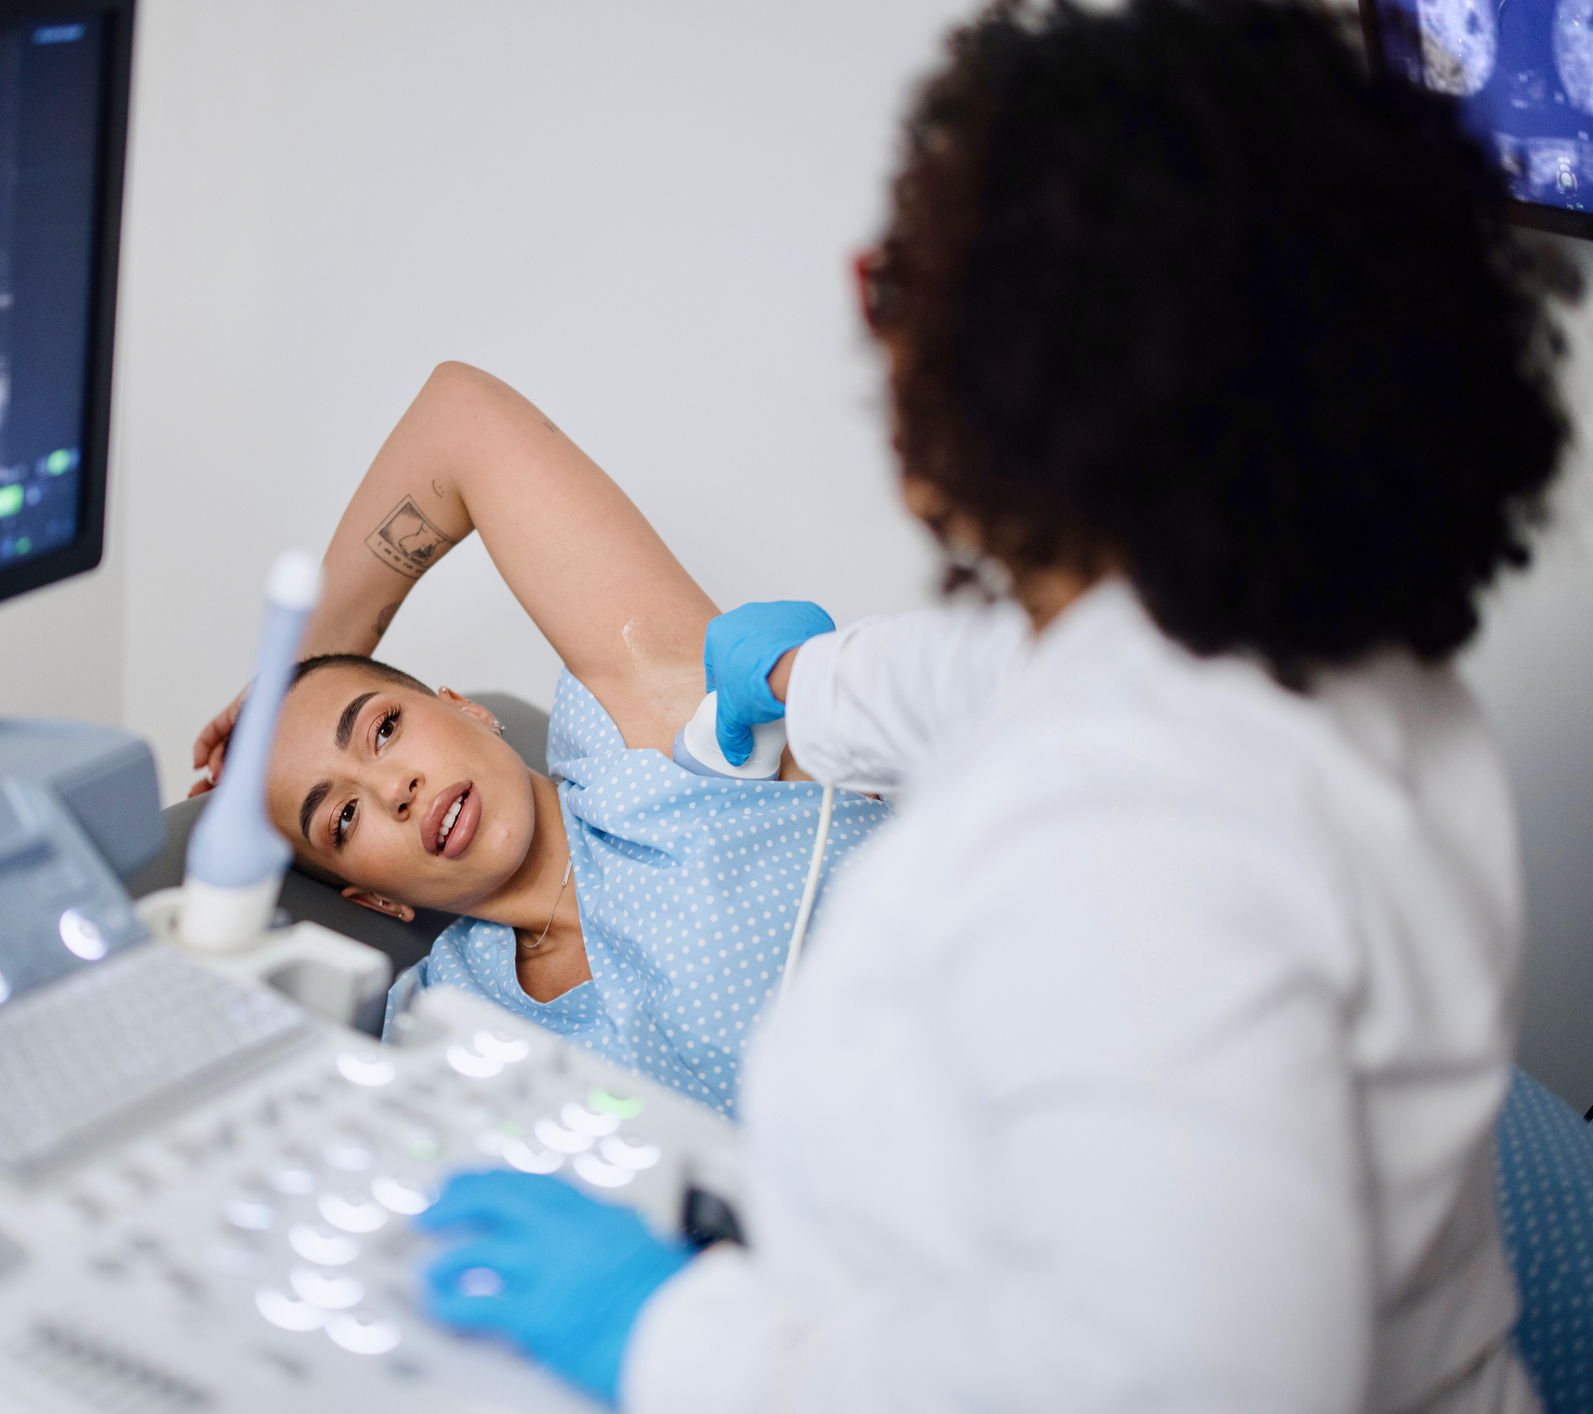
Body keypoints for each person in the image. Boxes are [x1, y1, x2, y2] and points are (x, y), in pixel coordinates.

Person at [411, 1, 1575, 1410]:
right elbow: (1004, 675)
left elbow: (1186, 1382)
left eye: (902, 280)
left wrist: (671, 1336)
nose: (870, 307)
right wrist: (797, 684)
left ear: (1017, 374)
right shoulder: (1315, 641)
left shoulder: (1125, 842)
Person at [188, 362, 891, 1116]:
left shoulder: (646, 739)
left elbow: (458, 417)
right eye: (344, 818)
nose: (393, 790)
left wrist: (294, 667)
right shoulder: (446, 1025)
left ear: (467, 708)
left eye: (384, 728)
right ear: (376, 900)